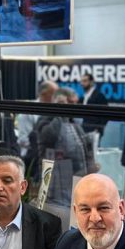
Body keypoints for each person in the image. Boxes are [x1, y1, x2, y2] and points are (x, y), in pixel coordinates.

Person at [36, 90, 91, 228]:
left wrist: (90, 167)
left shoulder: (75, 124)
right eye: (70, 103)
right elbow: (48, 136)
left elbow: (85, 149)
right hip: (55, 181)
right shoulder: (46, 119)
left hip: (76, 178)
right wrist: (60, 112)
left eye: (75, 103)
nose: (74, 106)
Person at [78, 73, 107, 158]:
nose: (82, 83)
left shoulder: (99, 96)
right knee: (84, 154)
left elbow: (105, 114)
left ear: (91, 82)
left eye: (85, 81)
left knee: (93, 155)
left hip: (94, 130)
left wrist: (99, 128)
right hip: (84, 129)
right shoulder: (83, 97)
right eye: (81, 81)